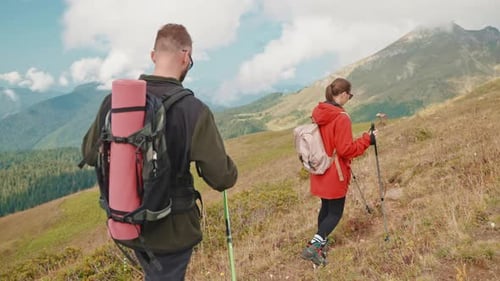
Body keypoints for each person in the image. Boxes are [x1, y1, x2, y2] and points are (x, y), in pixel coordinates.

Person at [81, 23, 238, 281]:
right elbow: (222, 178)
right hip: (172, 229)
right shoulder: (193, 109)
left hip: (129, 220)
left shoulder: (116, 102)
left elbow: (88, 153)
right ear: (186, 57)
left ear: (153, 56)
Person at [300, 77, 376, 266]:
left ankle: (320, 247)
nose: (349, 99)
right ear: (342, 94)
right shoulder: (341, 117)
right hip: (335, 172)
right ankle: (313, 247)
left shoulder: (319, 112)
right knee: (335, 213)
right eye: (349, 96)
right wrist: (368, 140)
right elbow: (346, 150)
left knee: (326, 208)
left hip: (320, 168)